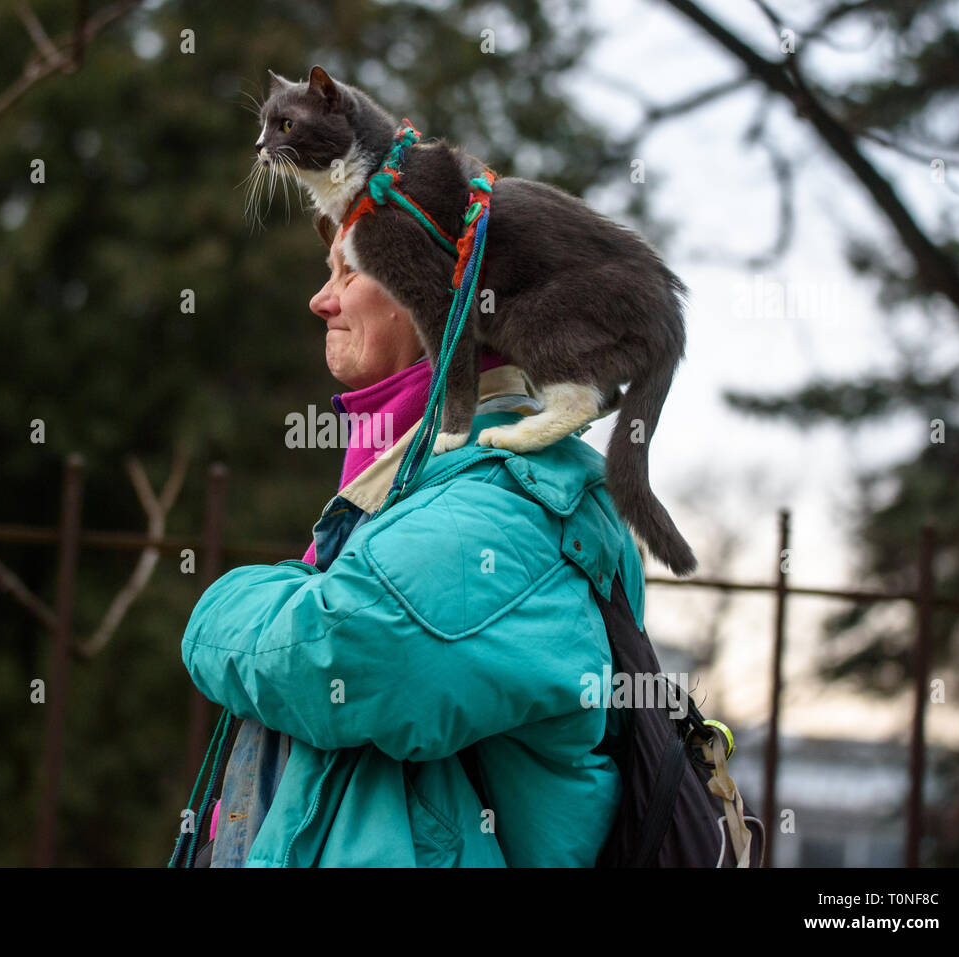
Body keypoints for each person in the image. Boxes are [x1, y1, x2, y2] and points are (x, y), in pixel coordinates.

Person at [180, 214, 648, 867]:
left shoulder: (506, 505)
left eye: (351, 271)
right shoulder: (434, 480)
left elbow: (341, 653)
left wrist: (214, 611)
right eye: (327, 273)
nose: (322, 299)